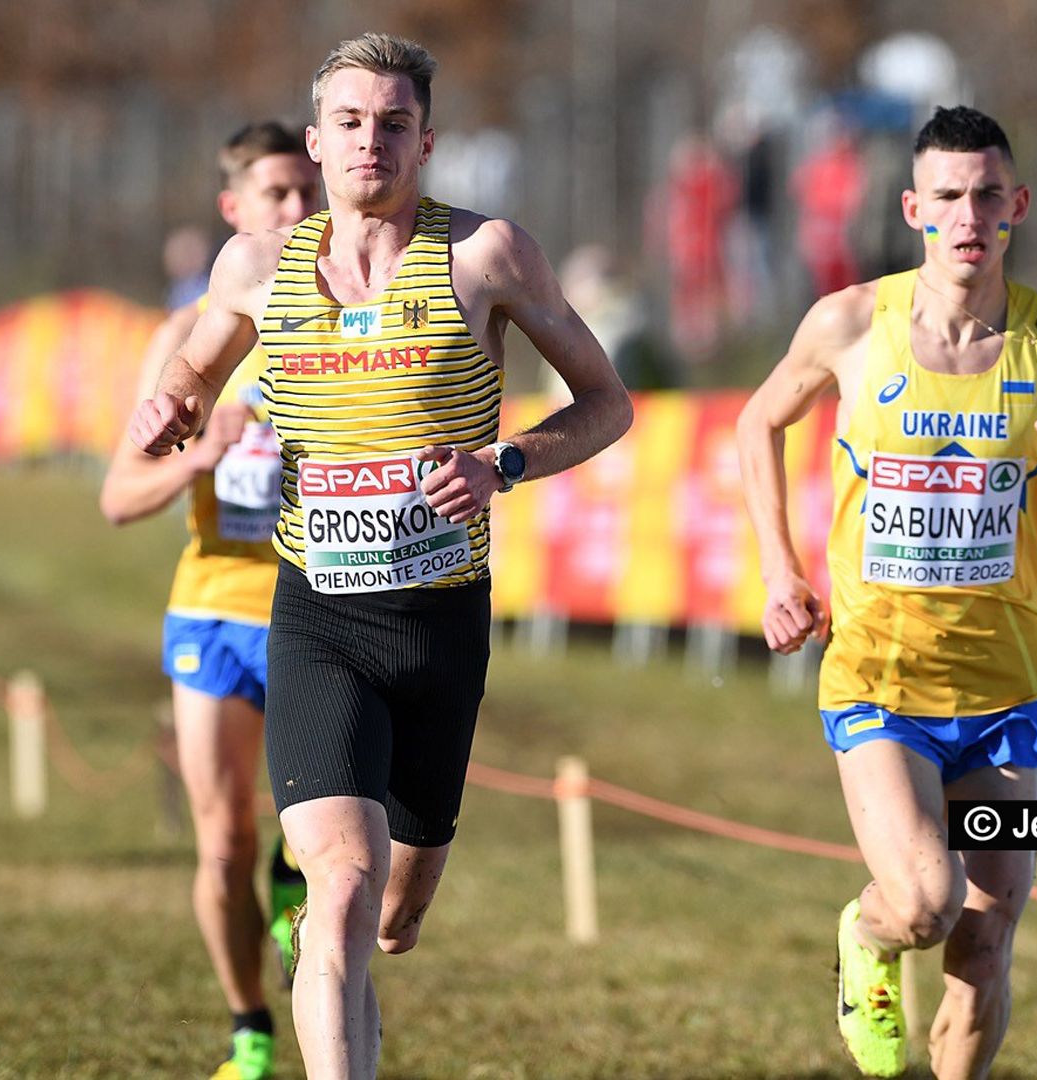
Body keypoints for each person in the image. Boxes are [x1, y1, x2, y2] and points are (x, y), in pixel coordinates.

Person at [126, 33, 632, 1079]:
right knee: (341, 887)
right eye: (350, 122)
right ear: (316, 142)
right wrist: (173, 402)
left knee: (393, 916)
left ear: (426, 142)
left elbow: (606, 404)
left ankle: (340, 966)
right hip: (318, 620)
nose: (372, 141)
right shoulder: (257, 266)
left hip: (442, 624)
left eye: (395, 123)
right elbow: (197, 363)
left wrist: (505, 463)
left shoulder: (487, 255)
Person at [736, 105, 1037, 1079]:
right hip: (881, 681)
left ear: (1018, 206)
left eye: (986, 196)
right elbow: (758, 422)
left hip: (1009, 691)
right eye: (948, 197)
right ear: (914, 210)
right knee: (927, 903)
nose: (968, 216)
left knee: (985, 941)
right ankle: (868, 933)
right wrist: (779, 570)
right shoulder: (852, 324)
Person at [100, 120, 322, 1080]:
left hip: (318, 607)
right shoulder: (184, 339)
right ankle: (250, 1029)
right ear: (234, 210)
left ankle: (292, 878)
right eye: (277, 194)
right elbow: (119, 497)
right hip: (215, 611)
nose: (298, 209)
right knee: (223, 841)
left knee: (324, 841)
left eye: (308, 191)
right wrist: (201, 454)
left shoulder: (346, 316)